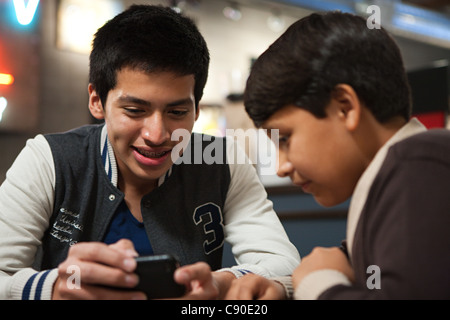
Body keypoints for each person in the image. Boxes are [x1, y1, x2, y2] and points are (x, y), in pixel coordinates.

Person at [0, 4, 299, 300]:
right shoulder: (49, 159)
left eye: (177, 111)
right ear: (96, 101)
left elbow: (283, 262)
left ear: (197, 108)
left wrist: (223, 282)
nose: (157, 135)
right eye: (134, 110)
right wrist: (53, 289)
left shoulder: (222, 161)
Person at [225, 11, 450, 299]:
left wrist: (317, 282)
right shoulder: (396, 181)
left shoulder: (420, 166)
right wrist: (287, 287)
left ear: (345, 108)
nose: (281, 167)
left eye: (284, 138)